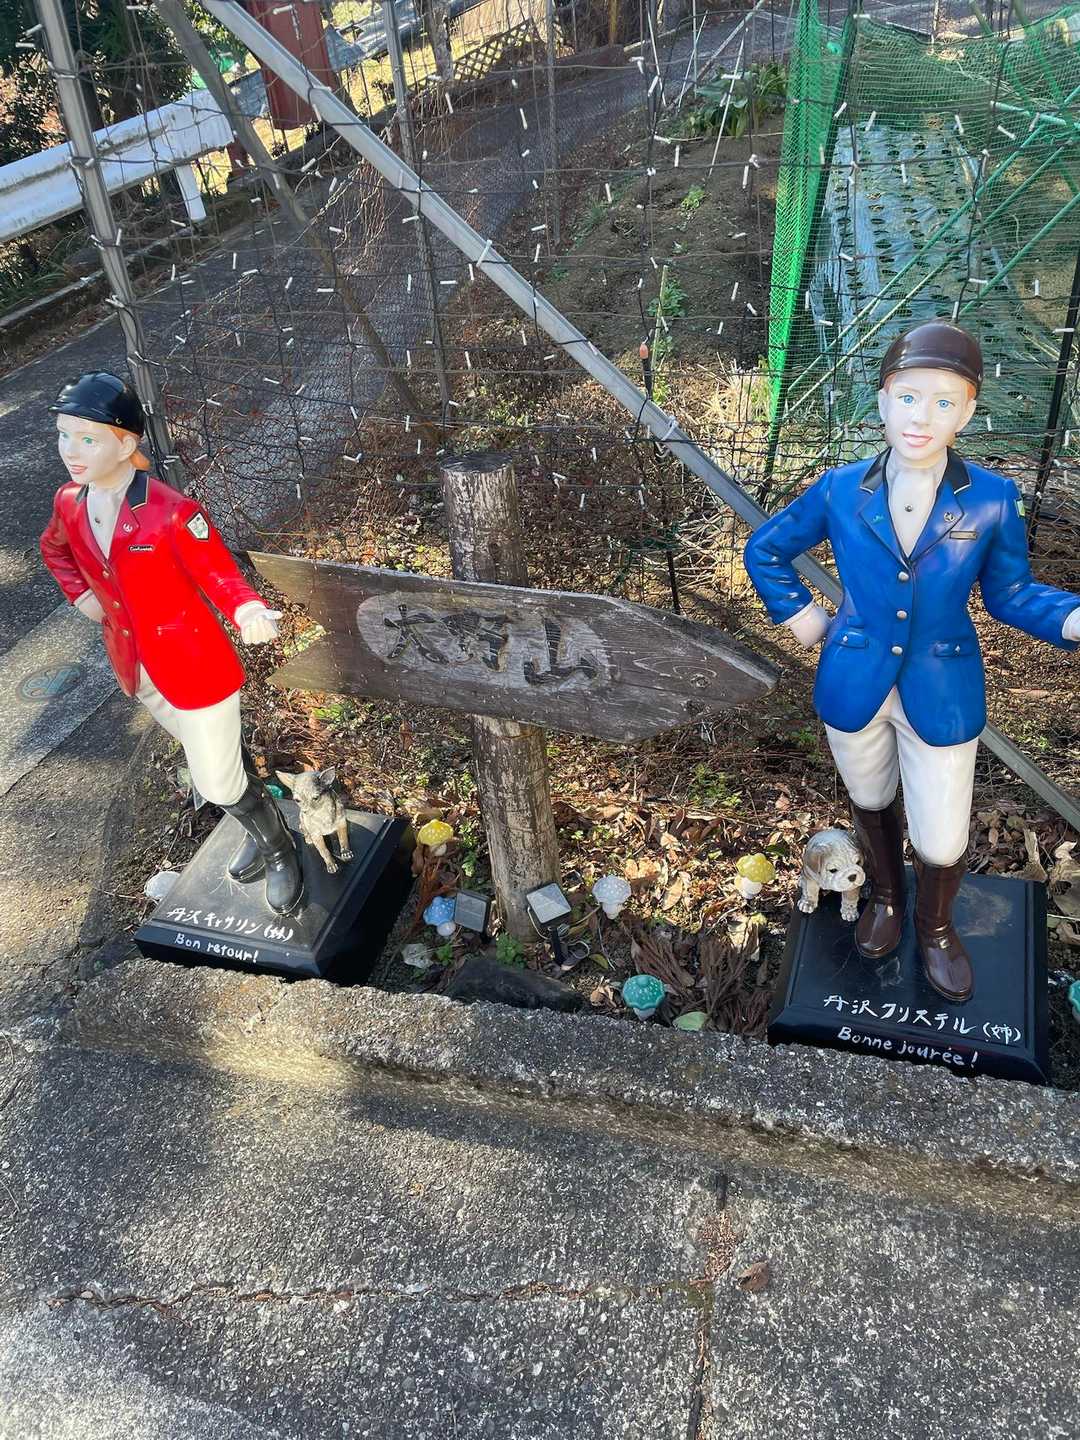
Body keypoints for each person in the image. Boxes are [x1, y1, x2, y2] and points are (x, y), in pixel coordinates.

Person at [744, 322, 1080, 1003]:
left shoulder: (991, 498)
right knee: (870, 799)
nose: (922, 417)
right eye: (908, 397)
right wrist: (803, 617)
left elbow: (1011, 593)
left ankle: (936, 926)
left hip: (941, 683)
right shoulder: (841, 489)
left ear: (968, 412)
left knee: (943, 832)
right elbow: (767, 548)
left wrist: (1072, 617)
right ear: (882, 401)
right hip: (854, 678)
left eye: (944, 401)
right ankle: (888, 899)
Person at [39, 371, 303, 915]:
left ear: (125, 444)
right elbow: (55, 549)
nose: (71, 450)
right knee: (218, 763)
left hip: (195, 668)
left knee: (217, 781)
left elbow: (218, 573)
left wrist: (247, 609)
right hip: (138, 667)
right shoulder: (69, 501)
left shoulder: (171, 511)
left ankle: (280, 848)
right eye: (64, 435)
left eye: (87, 438)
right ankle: (260, 830)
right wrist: (81, 596)